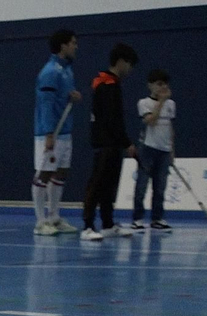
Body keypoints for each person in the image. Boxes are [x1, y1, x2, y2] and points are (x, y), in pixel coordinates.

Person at [79, 43, 139, 241]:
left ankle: (107, 223)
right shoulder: (107, 85)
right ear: (120, 62)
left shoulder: (112, 83)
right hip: (105, 142)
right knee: (97, 184)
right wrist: (127, 142)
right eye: (129, 64)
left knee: (109, 185)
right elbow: (111, 118)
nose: (130, 70)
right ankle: (87, 225)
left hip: (112, 143)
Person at [32, 28, 82, 236]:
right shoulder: (50, 72)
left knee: (61, 173)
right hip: (51, 133)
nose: (75, 46)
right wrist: (49, 133)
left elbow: (61, 98)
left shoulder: (67, 70)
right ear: (63, 45)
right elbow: (45, 103)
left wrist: (72, 96)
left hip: (65, 131)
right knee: (44, 173)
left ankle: (54, 216)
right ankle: (40, 221)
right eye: (73, 43)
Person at [130, 69, 175, 232]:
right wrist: (161, 102)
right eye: (159, 84)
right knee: (142, 185)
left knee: (160, 187)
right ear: (150, 85)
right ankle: (138, 219)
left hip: (164, 151)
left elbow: (170, 128)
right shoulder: (144, 103)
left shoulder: (171, 105)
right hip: (147, 149)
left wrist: (172, 151)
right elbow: (151, 121)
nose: (163, 87)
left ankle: (157, 218)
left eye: (165, 84)